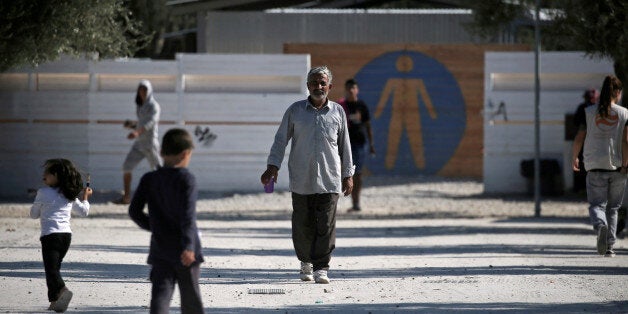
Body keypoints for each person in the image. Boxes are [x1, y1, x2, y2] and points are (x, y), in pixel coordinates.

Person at [260, 66, 354, 284]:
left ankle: (322, 266)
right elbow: (280, 140)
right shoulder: (295, 111)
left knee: (326, 224)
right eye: (314, 82)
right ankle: (306, 263)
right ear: (308, 86)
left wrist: (348, 174)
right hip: (302, 179)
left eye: (322, 83)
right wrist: (272, 166)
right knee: (302, 223)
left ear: (329, 86)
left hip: (330, 178)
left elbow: (345, 146)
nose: (318, 87)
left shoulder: (338, 112)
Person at [129, 128, 205, 313]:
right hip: (185, 252)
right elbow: (188, 216)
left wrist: (155, 227)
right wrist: (188, 246)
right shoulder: (187, 179)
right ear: (186, 153)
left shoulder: (149, 179)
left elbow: (134, 211)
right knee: (191, 301)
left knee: (160, 299)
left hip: (161, 249)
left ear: (162, 152)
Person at [572, 75, 626, 257]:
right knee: (613, 208)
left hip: (594, 165)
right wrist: (626, 163)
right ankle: (610, 247)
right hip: (618, 166)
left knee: (597, 205)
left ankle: (600, 225)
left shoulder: (589, 112)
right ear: (617, 93)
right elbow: (626, 141)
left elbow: (579, 137)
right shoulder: (624, 113)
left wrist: (575, 157)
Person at [30, 159, 92, 312]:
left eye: (47, 173)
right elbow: (84, 212)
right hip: (66, 237)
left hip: (50, 236)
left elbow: (33, 215)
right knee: (53, 269)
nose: (43, 175)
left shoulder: (43, 192)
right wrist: (86, 198)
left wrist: (39, 204)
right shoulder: (68, 194)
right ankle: (53, 302)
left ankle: (63, 290)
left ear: (56, 175)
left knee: (51, 270)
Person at [116, 79, 162, 204]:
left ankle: (165, 196)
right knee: (126, 167)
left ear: (149, 91)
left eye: (145, 90)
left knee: (159, 171)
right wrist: (131, 125)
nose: (142, 92)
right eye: (140, 89)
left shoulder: (154, 106)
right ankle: (126, 197)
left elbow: (150, 123)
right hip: (139, 143)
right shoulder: (139, 106)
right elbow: (141, 123)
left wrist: (136, 132)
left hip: (150, 143)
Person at [339, 78, 376, 212]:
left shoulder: (361, 105)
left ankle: (356, 203)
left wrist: (371, 144)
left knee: (357, 173)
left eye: (353, 88)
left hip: (359, 143)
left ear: (357, 90)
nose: (350, 90)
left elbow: (368, 125)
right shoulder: (340, 106)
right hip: (343, 143)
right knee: (341, 172)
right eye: (348, 88)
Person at [572, 88, 599, 193]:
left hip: (592, 141)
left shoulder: (597, 108)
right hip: (586, 140)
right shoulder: (585, 108)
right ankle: (581, 188)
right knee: (581, 164)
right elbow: (576, 122)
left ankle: (587, 188)